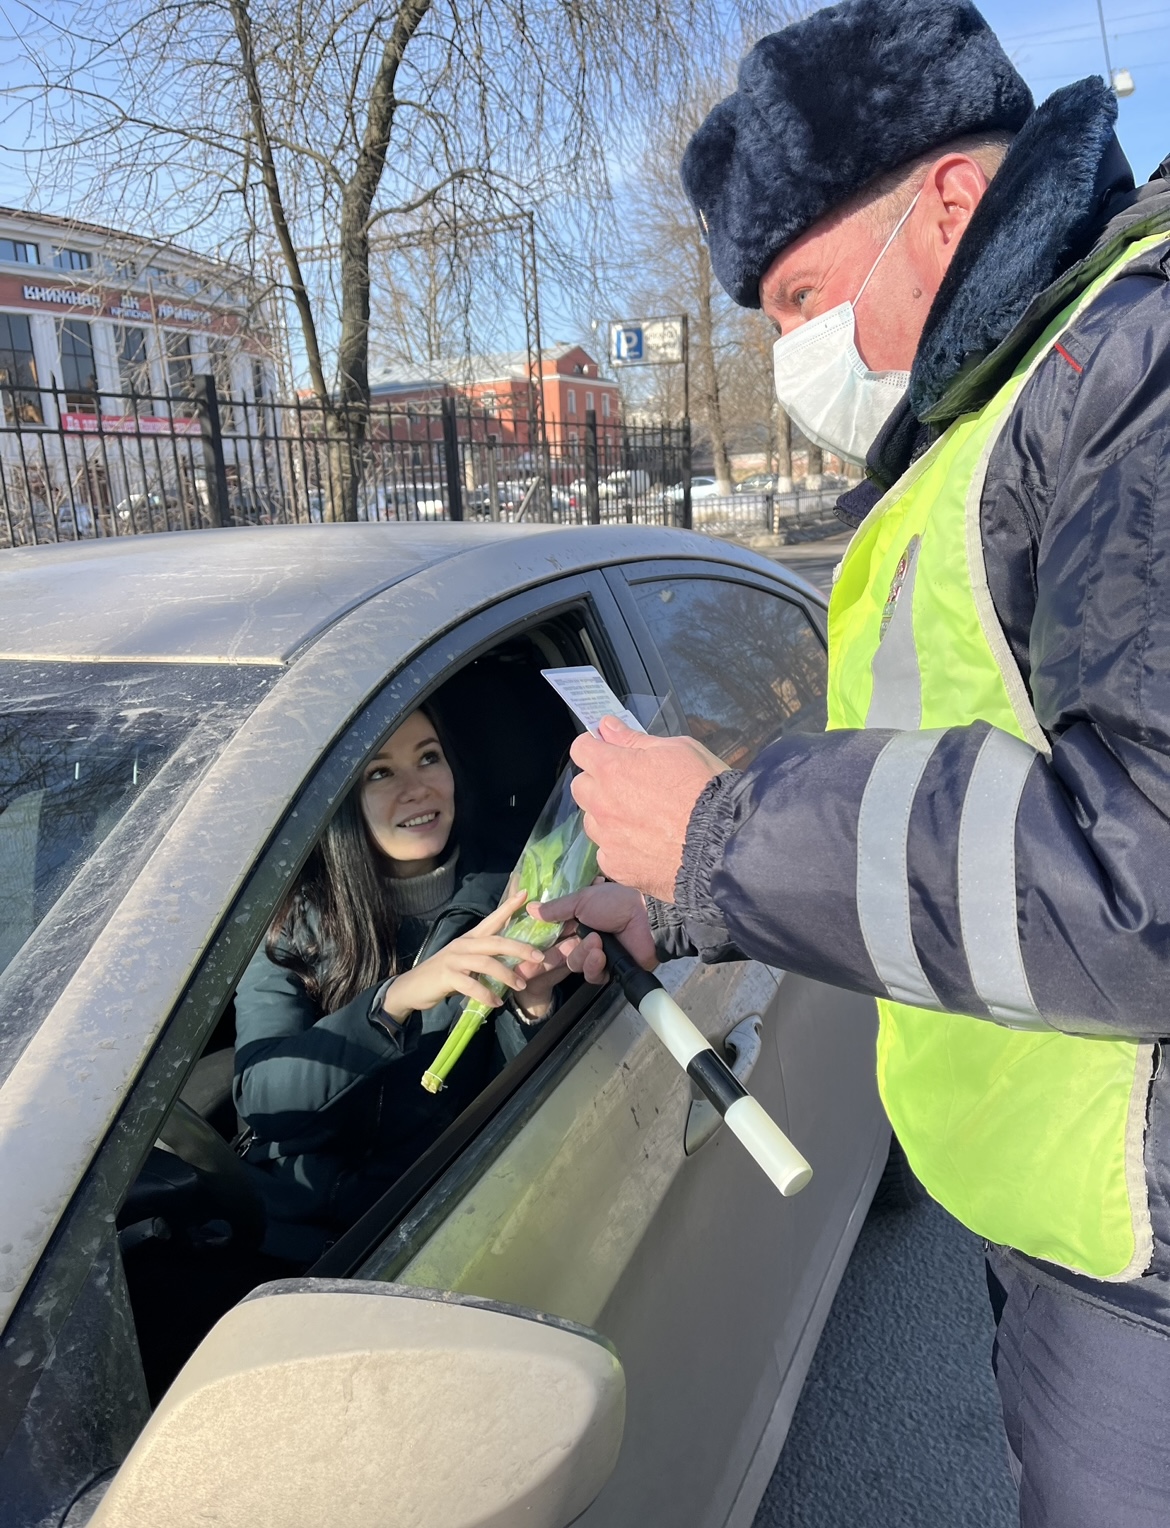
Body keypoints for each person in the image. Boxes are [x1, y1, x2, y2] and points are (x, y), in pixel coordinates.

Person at [538, 3, 1170, 1523]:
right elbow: (941, 782)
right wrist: (680, 899)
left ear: (947, 200)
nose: (798, 356)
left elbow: (1142, 859)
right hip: (1071, 1234)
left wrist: (720, 834)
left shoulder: (1131, 371)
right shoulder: (999, 411)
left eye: (804, 294)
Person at [234, 706, 567, 1259]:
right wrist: (392, 1002)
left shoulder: (516, 896)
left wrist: (531, 1007)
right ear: (341, 800)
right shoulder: (293, 917)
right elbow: (262, 1097)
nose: (417, 789)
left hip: (423, 1221)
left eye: (429, 758)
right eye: (380, 772)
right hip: (287, 1227)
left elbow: (509, 1110)